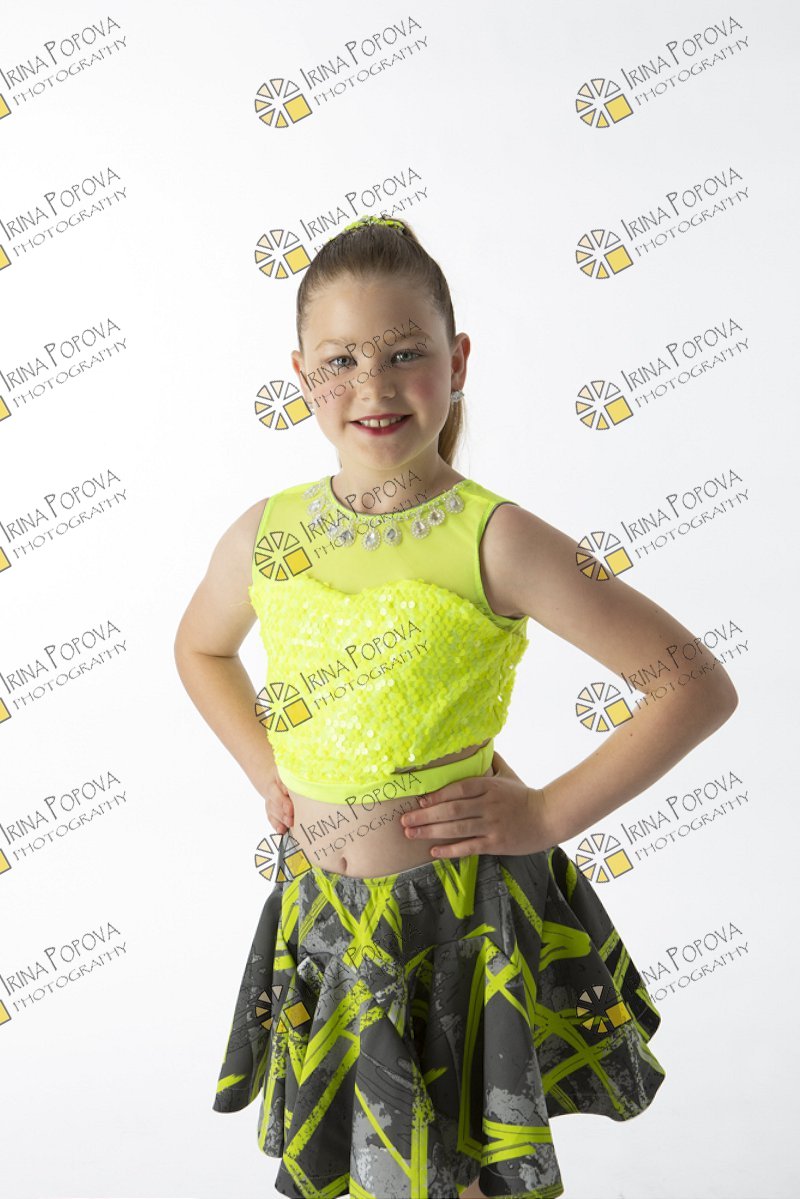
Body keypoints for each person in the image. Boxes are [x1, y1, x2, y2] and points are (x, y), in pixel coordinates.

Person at [173, 214, 738, 1199]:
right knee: (362, 1170)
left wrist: (546, 812)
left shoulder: (497, 538)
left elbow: (691, 682)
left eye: (405, 354)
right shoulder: (269, 531)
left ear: (457, 360)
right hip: (324, 921)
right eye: (341, 360)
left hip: (454, 928)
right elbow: (200, 648)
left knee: (465, 1175)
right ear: (301, 375)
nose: (374, 385)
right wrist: (271, 771)